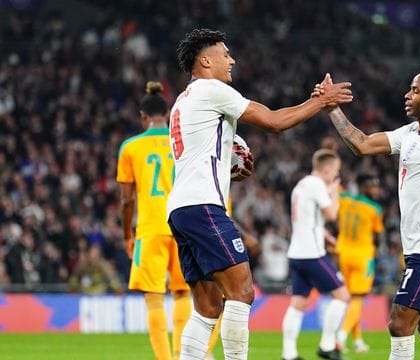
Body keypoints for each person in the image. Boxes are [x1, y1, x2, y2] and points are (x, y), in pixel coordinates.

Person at [167, 28, 352, 360]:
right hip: (203, 206)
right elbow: (274, 121)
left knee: (207, 307)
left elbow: (204, 154)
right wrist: (320, 101)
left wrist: (230, 166)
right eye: (225, 54)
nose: (232, 59)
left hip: (181, 209)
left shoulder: (183, 101)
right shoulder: (212, 90)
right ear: (206, 60)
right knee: (242, 292)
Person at [317, 68, 420, 359]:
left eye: (416, 90)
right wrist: (332, 108)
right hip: (417, 246)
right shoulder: (410, 134)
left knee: (399, 322)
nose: (407, 95)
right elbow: (362, 144)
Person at [117, 81, 192, 360]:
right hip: (184, 228)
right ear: (169, 112)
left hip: (150, 229)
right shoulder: (182, 143)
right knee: (183, 294)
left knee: (154, 299)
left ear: (142, 116)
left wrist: (127, 234)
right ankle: (183, 356)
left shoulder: (130, 147)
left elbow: (126, 201)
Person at [282, 149, 350, 360]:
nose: (335, 175)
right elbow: (331, 214)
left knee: (299, 303)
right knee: (342, 296)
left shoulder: (301, 185)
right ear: (328, 169)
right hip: (311, 254)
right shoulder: (317, 184)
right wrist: (334, 193)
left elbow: (307, 221)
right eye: (335, 171)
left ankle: (289, 353)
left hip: (296, 253)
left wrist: (324, 236)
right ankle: (327, 345)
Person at [335, 173, 384, 353]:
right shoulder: (374, 209)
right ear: (363, 186)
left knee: (352, 299)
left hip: (343, 254)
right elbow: (378, 236)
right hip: (363, 256)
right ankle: (340, 337)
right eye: (372, 185)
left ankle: (357, 341)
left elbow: (335, 187)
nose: (376, 190)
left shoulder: (345, 199)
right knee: (358, 299)